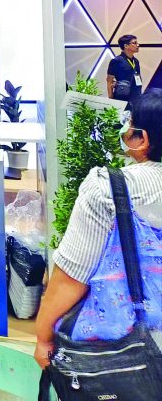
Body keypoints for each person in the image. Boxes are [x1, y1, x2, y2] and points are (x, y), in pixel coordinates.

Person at [35, 90, 162, 371]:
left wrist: (43, 337)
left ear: (142, 139)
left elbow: (71, 277)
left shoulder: (108, 188)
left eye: (129, 123)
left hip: (126, 350)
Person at [107, 34, 143, 104]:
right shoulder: (116, 61)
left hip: (135, 97)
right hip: (121, 98)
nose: (138, 45)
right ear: (126, 46)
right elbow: (109, 81)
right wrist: (111, 100)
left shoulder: (136, 61)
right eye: (134, 43)